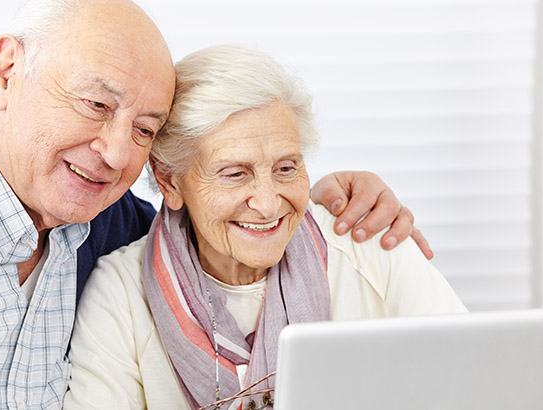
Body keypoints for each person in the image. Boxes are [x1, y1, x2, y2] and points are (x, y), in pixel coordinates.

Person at [0, 0, 429, 408]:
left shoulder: (107, 221)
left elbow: (221, 219)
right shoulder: (109, 254)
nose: (115, 154)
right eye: (96, 105)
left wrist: (314, 201)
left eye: (144, 130)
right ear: (6, 72)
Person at [64, 44, 466, 410]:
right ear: (170, 182)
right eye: (235, 174)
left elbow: (473, 382)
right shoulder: (120, 292)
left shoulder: (369, 241)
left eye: (286, 168)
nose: (269, 203)